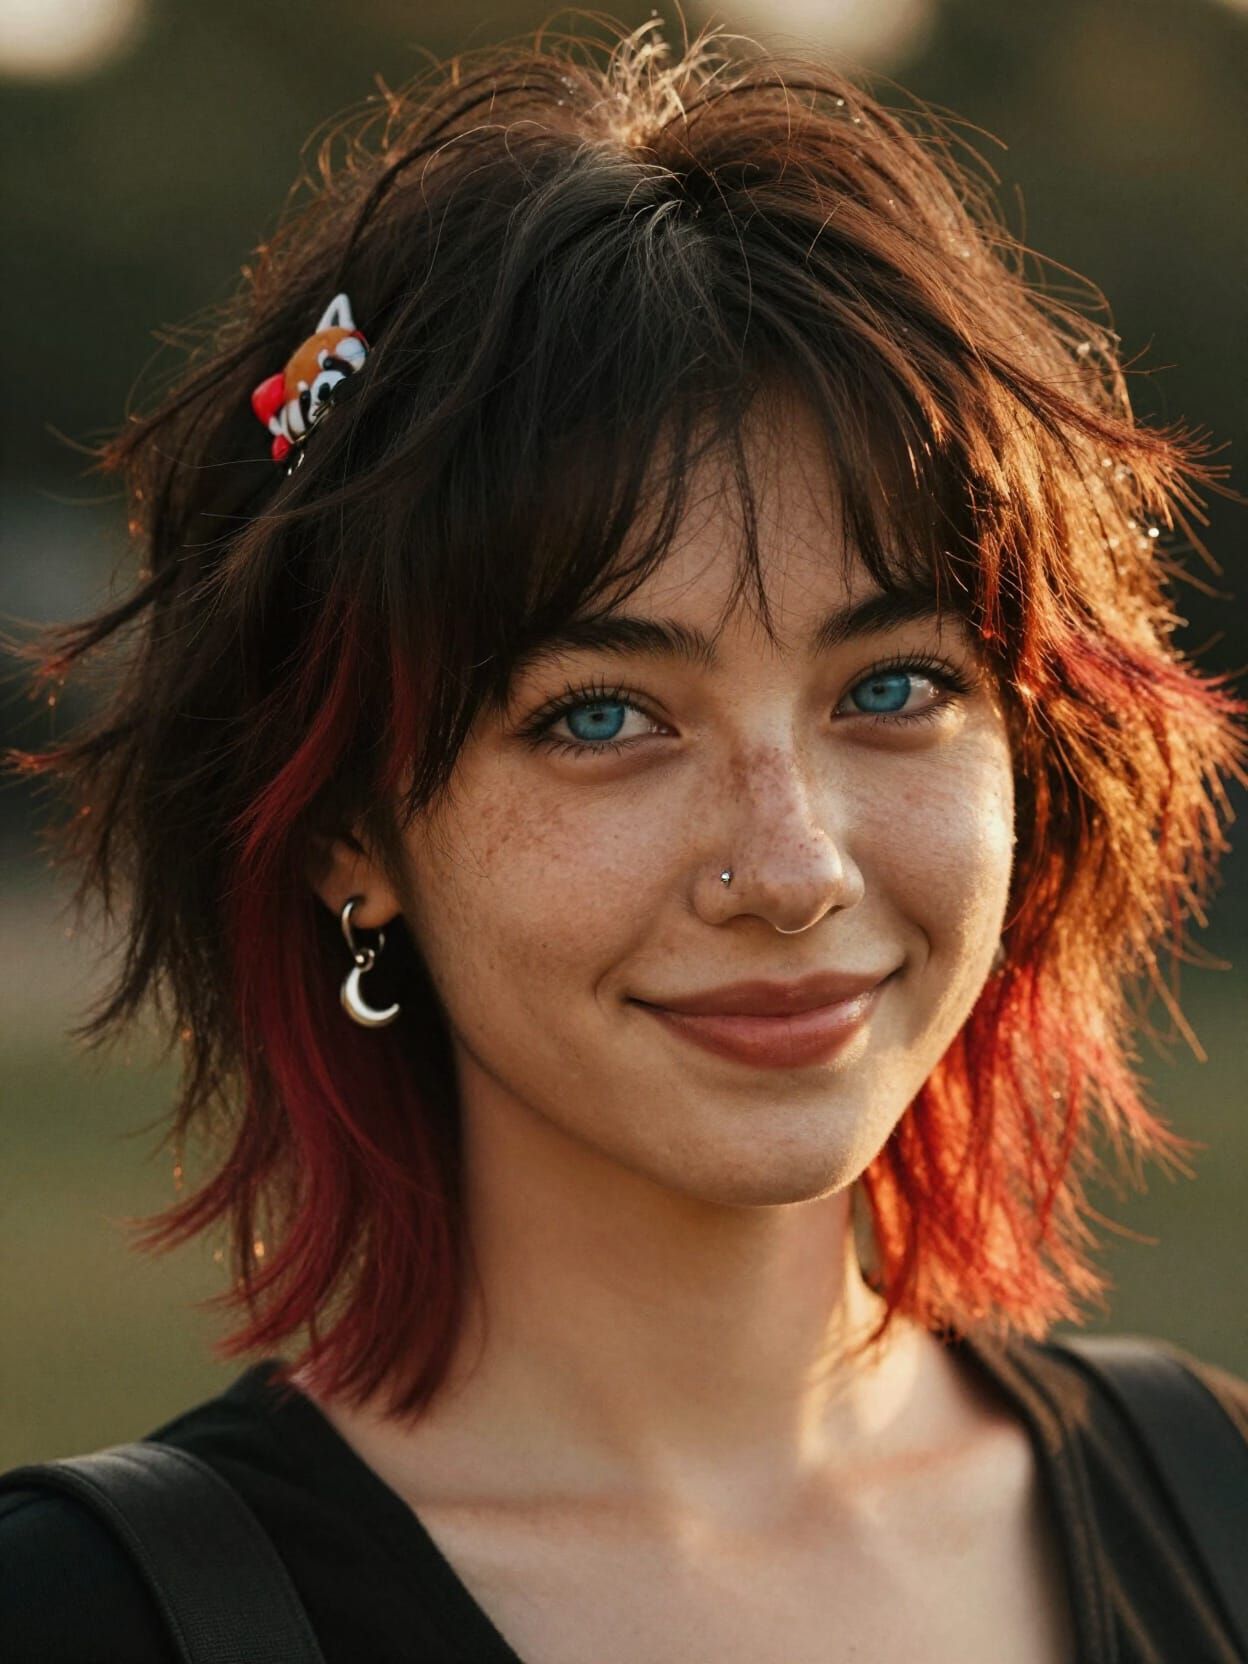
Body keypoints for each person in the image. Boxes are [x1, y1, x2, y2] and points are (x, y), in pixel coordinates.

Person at [2, 17, 1245, 1663]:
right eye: (601, 715)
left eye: (893, 684)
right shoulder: (93, 1620)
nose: (794, 868)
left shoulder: (1218, 1503)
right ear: (343, 830)